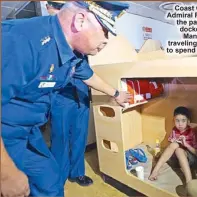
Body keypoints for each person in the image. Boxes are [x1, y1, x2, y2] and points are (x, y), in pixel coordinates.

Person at [1, 1, 131, 197]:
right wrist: (5, 175)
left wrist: (116, 94)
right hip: (5, 134)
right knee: (14, 187)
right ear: (80, 20)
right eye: (104, 31)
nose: (106, 40)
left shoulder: (71, 53)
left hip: (28, 132)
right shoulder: (19, 41)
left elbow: (88, 76)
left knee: (50, 182)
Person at [45, 0, 93, 187]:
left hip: (81, 93)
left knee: (80, 137)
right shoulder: (48, 33)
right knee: (60, 138)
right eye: (55, 6)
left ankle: (77, 173)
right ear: (49, 7)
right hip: (61, 96)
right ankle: (59, 176)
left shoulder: (81, 29)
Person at [148, 106, 197, 184]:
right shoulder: (174, 130)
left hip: (190, 160)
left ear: (188, 122)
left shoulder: (191, 133)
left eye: (183, 121)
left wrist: (185, 144)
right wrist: (174, 142)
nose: (180, 124)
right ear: (174, 120)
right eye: (177, 121)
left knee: (179, 149)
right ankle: (155, 170)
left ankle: (189, 181)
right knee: (174, 145)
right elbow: (171, 146)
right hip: (176, 161)